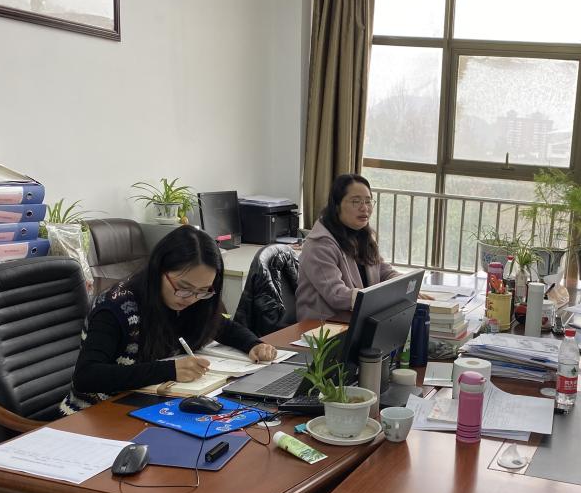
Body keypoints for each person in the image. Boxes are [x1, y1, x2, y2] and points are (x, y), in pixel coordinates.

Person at [60, 226, 277, 415]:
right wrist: (169, 370)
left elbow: (222, 327)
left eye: (203, 290)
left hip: (152, 404)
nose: (191, 298)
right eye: (183, 288)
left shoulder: (193, 300)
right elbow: (87, 375)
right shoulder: (116, 306)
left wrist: (253, 344)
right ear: (159, 270)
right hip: (96, 414)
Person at [296, 173, 399, 320]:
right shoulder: (319, 245)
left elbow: (381, 270)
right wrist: (378, 298)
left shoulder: (362, 235)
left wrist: (402, 283)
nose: (365, 208)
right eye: (356, 202)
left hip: (358, 320)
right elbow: (336, 294)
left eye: (368, 201)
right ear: (337, 206)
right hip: (324, 326)